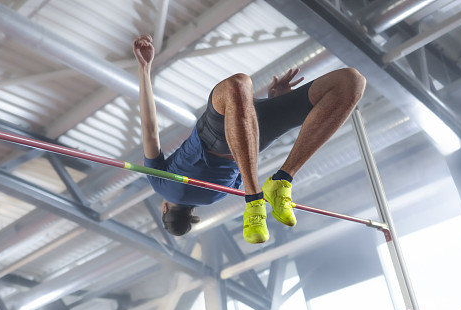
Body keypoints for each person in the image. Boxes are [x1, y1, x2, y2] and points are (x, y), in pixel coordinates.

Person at [133, 34, 366, 243]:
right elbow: (150, 128)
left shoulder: (218, 197)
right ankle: (259, 196)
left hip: (256, 135)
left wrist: (271, 104)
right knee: (351, 81)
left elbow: (243, 151)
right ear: (164, 208)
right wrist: (145, 69)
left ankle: (280, 181)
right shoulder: (160, 186)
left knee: (244, 88)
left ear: (192, 214)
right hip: (217, 133)